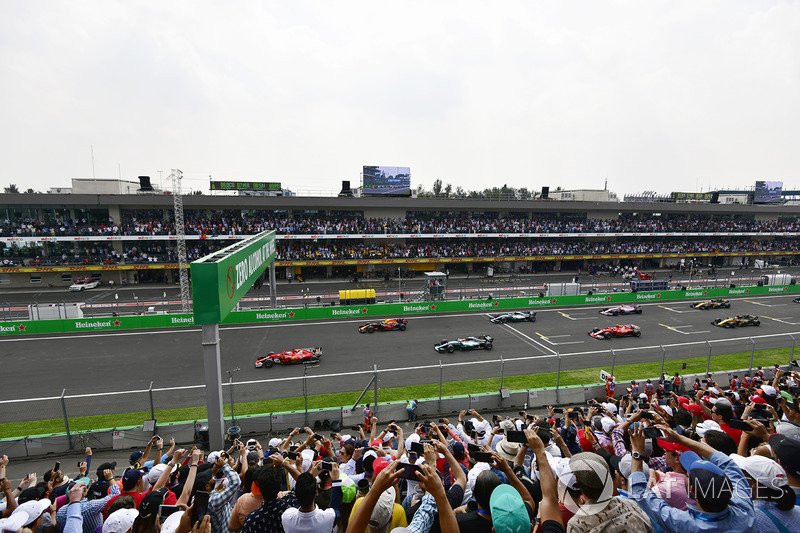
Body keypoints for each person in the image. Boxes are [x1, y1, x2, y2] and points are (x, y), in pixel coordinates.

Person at [629, 423, 755, 532]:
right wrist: (680, 439)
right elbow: (726, 463)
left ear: (692, 490)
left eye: (688, 475)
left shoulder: (685, 524)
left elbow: (639, 491)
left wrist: (636, 451)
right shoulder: (744, 509)